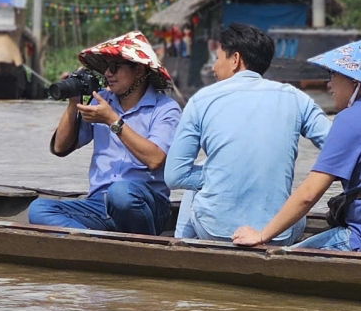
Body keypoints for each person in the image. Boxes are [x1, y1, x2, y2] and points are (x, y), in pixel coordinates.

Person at [231, 38, 361, 254]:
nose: (329, 84)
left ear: (357, 82)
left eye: (333, 75)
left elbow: (308, 194)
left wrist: (262, 235)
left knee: (281, 259)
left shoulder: (350, 119)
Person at [165, 24, 331, 243]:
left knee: (198, 181)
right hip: (279, 234)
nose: (214, 67)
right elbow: (338, 145)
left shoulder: (201, 100)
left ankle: (180, 247)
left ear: (235, 60)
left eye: (217, 58)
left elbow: (174, 176)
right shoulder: (295, 97)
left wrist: (219, 173)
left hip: (214, 230)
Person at [28, 31, 181, 236]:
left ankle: (130, 244)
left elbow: (155, 159)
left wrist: (113, 121)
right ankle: (96, 242)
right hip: (100, 204)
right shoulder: (101, 101)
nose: (108, 73)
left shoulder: (166, 109)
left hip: (144, 203)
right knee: (39, 209)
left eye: (115, 67)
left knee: (121, 193)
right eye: (106, 67)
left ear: (138, 70)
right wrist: (74, 103)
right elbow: (60, 147)